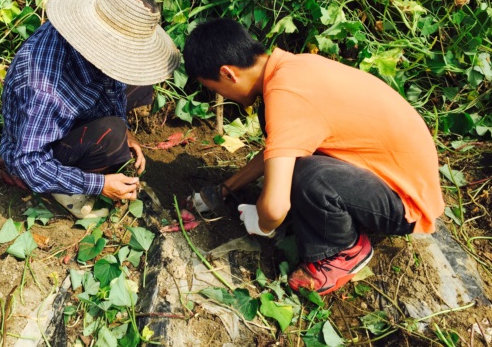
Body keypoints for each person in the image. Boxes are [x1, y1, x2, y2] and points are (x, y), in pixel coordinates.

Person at [183, 19, 444, 295]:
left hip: (405, 201)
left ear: (228, 73)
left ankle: (345, 251)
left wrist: (261, 221)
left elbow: (274, 208)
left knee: (306, 175)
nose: (219, 95)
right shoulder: (291, 68)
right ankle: (328, 215)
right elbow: (281, 146)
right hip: (388, 174)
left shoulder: (285, 95)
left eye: (213, 89)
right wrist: (226, 189)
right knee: (291, 161)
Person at [0, 0, 180, 218]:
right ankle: (68, 192)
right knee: (111, 134)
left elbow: (112, 82)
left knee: (140, 85)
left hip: (69, 109)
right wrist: (99, 184)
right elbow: (28, 164)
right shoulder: (44, 88)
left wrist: (128, 131)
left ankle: (109, 141)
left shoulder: (86, 35)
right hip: (40, 152)